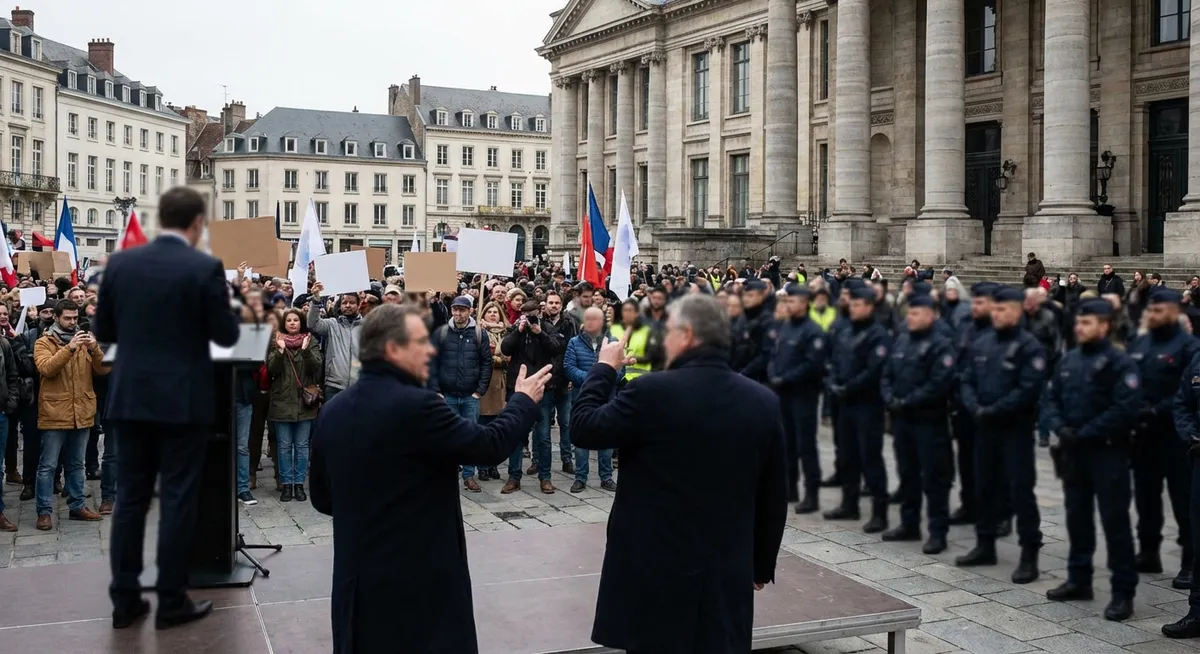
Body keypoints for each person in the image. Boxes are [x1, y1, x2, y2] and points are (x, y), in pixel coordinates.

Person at [309, 304, 551, 654]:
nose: (431, 350)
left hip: (357, 579)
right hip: (417, 581)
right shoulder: (418, 406)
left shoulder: (333, 410)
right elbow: (487, 446)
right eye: (421, 342)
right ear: (393, 349)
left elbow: (322, 497)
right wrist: (523, 401)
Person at [570, 294, 787, 653]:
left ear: (686, 335)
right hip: (724, 570)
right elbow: (773, 495)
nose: (663, 340)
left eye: (668, 332)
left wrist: (603, 369)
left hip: (656, 570)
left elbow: (583, 427)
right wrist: (760, 565)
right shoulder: (762, 401)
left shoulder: (650, 392)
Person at [97, 187, 241, 630]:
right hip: (183, 399)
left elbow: (104, 328)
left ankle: (124, 598)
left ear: (161, 218)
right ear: (197, 223)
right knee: (178, 498)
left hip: (131, 396)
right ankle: (171, 598)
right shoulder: (203, 267)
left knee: (130, 499)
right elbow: (226, 336)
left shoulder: (121, 262)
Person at [1042, 298, 1140, 622]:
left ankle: (1123, 592)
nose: (1080, 327)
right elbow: (1051, 397)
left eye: (1087, 323)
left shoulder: (1119, 363)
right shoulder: (1069, 359)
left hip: (1107, 452)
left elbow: (1124, 408)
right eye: (1079, 323)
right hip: (1074, 452)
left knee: (1115, 523)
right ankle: (1079, 578)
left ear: (1105, 325)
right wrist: (1060, 427)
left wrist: (1085, 432)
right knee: (1076, 516)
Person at [955, 286, 1046, 585]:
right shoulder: (982, 342)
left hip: (1014, 430)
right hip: (984, 428)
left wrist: (994, 409)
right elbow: (966, 378)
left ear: (1018, 311)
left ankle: (1029, 554)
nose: (997, 314)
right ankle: (985, 544)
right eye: (994, 309)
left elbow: (1028, 389)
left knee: (1020, 492)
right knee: (984, 487)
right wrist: (974, 406)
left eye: (1003, 309)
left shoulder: (1029, 346)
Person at [1128, 289, 1196, 589]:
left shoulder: (1188, 346)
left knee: (1184, 502)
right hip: (1144, 435)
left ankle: (1190, 563)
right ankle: (1148, 552)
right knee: (1146, 496)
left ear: (1174, 311)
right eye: (1150, 310)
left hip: (1176, 437)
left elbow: (1186, 394)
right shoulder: (1141, 341)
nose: (1153, 315)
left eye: (1159, 310)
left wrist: (1157, 409)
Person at [880, 293, 956, 554]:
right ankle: (909, 523)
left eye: (915, 314)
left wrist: (908, 401)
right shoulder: (901, 339)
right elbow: (887, 372)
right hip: (903, 420)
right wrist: (889, 398)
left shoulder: (940, 344)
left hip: (928, 421)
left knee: (934, 478)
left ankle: (938, 531)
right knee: (907, 472)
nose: (909, 318)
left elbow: (939, 383)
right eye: (908, 313)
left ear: (931, 314)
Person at [32, 299, 106, 531]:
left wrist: (94, 348)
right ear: (56, 317)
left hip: (81, 411)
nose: (72, 322)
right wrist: (70, 348)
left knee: (77, 464)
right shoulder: (44, 342)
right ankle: (44, 512)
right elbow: (46, 368)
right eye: (67, 318)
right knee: (48, 466)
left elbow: (104, 369)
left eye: (75, 318)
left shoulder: (85, 340)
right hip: (55, 412)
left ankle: (77, 505)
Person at [825, 285, 891, 533]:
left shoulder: (877, 334)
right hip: (845, 403)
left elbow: (874, 370)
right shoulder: (844, 330)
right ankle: (848, 503)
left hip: (866, 404)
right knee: (847, 455)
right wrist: (834, 383)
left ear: (870, 307)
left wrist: (849, 386)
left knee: (870, 458)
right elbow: (833, 361)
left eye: (858, 305)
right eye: (851, 304)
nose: (853, 308)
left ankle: (879, 512)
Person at [767, 283, 827, 513]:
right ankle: (789, 488)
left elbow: (813, 364)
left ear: (805, 303)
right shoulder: (785, 327)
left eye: (792, 301)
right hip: (783, 393)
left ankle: (812, 493)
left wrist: (787, 378)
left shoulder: (813, 331)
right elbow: (774, 354)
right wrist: (774, 374)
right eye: (787, 301)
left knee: (805, 445)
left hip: (803, 394)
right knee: (787, 444)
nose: (788, 305)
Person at [429, 295, 493, 491]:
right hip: (447, 395)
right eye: (455, 309)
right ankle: (447, 474)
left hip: (470, 395)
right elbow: (432, 363)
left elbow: (486, 363)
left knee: (470, 436)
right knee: (447, 436)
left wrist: (479, 390)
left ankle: (468, 475)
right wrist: (436, 390)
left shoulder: (479, 334)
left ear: (470, 311)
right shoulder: (442, 333)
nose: (458, 313)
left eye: (462, 310)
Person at [265, 307, 323, 503]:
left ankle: (299, 484)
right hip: (282, 401)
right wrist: (280, 351)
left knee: (301, 445)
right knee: (283, 446)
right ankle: (286, 485)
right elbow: (272, 368)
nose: (292, 323)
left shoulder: (310, 340)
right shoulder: (277, 341)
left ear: (301, 323)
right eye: (288, 320)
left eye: (295, 320)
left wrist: (306, 351)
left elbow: (316, 366)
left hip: (304, 403)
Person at [563, 306, 619, 492]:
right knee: (581, 438)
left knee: (607, 437)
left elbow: (620, 370)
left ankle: (606, 476)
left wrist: (602, 378)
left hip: (607, 398)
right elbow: (569, 367)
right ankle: (581, 477)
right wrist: (593, 378)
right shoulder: (574, 342)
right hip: (582, 397)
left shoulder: (613, 342)